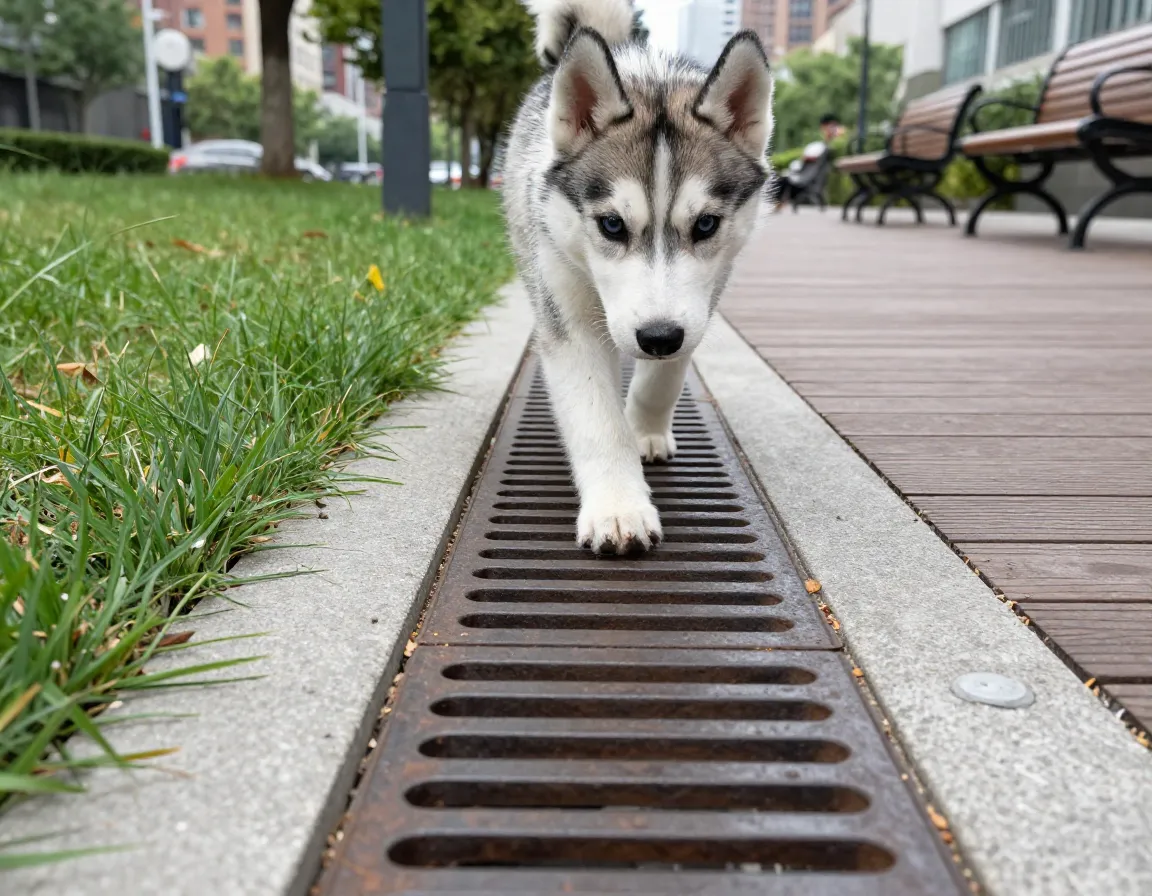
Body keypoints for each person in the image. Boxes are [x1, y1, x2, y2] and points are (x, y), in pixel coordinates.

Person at [774, 113, 844, 208]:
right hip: (808, 176)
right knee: (784, 179)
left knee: (783, 179)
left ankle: (778, 202)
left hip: (806, 177)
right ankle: (779, 202)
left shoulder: (825, 146)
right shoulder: (821, 146)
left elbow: (807, 159)